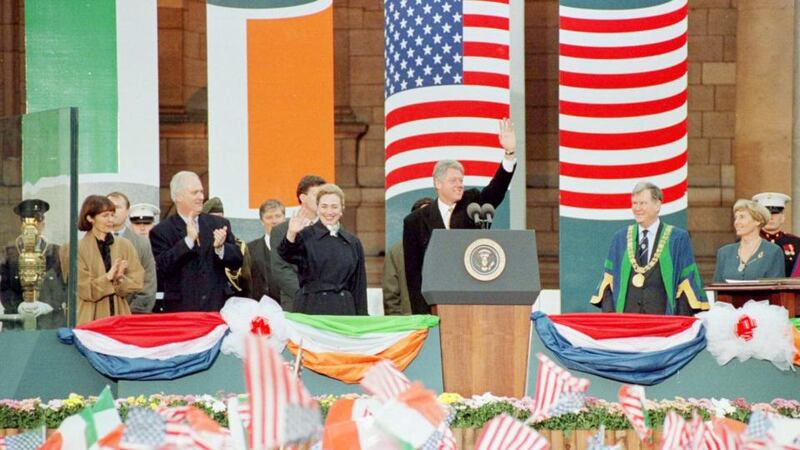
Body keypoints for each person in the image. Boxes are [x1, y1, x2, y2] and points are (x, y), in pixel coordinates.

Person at [403, 119, 518, 314]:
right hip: (434, 304)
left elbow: (496, 191)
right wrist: (421, 316)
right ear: (438, 184)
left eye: (461, 180)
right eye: (453, 180)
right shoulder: (415, 221)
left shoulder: (472, 204)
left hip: (471, 299)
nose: (459, 185)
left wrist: (509, 154)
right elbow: (413, 274)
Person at [591, 182, 708, 315]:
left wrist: (678, 322)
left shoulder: (677, 239)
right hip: (627, 320)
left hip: (662, 321)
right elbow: (608, 284)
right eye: (634, 203)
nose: (637, 208)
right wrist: (612, 319)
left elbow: (686, 285)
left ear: (657, 205)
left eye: (642, 203)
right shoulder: (620, 238)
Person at [149, 171, 243, 312]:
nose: (201, 197)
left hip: (216, 308)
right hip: (182, 311)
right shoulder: (161, 231)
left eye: (201, 192)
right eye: (194, 193)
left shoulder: (218, 223)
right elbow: (163, 267)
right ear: (178, 197)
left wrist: (221, 249)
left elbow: (237, 261)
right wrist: (188, 242)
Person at [278, 184, 367, 315]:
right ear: (318, 209)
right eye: (324, 206)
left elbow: (359, 285)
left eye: (334, 207)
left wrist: (361, 319)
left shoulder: (352, 242)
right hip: (311, 308)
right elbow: (286, 254)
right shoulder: (305, 235)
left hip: (344, 310)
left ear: (342, 209)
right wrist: (291, 233)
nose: (329, 212)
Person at [75, 195, 144, 325]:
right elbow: (85, 290)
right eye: (105, 215)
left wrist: (120, 279)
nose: (111, 220)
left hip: (121, 320)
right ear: (90, 218)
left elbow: (137, 281)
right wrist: (108, 277)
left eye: (112, 215)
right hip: (90, 320)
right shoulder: (76, 249)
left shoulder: (125, 245)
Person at [0, 199, 67, 329]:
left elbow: (64, 286)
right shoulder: (9, 253)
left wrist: (48, 305)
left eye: (38, 220)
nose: (33, 225)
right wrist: (18, 305)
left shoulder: (57, 252)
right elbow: (4, 287)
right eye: (27, 221)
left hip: (49, 322)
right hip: (17, 323)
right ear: (21, 225)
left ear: (43, 223)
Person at [270, 175, 327, 311]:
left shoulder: (332, 228)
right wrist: (305, 294)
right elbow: (280, 269)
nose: (320, 200)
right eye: (316, 195)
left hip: (326, 303)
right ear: (303, 198)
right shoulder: (281, 230)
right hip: (296, 302)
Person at [107, 192, 157, 313]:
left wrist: (131, 314)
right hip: (99, 316)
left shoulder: (141, 244)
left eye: (118, 207)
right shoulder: (92, 241)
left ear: (127, 211)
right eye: (108, 206)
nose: (113, 210)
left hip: (131, 315)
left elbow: (148, 284)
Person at [383, 197, 433, 315]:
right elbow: (391, 295)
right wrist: (399, 324)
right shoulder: (396, 252)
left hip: (444, 322)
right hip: (410, 323)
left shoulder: (447, 248)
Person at [713, 199, 784, 282]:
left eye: (742, 217)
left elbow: (776, 288)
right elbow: (716, 287)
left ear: (758, 221)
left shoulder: (773, 251)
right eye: (736, 218)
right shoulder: (724, 252)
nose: (736, 222)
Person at [202, 196, 252, 298]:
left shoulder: (238, 246)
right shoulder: (198, 243)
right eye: (212, 218)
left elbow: (246, 279)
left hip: (232, 299)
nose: (216, 222)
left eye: (220, 218)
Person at [752, 192, 800, 276]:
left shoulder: (796, 243)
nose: (771, 217)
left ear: (782, 217)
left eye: (775, 213)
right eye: (766, 213)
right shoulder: (748, 241)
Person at [248, 199, 285, 301]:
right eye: (269, 217)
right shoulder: (250, 249)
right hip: (261, 310)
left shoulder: (297, 247)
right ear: (261, 221)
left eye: (278, 216)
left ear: (284, 219)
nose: (274, 221)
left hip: (291, 310)